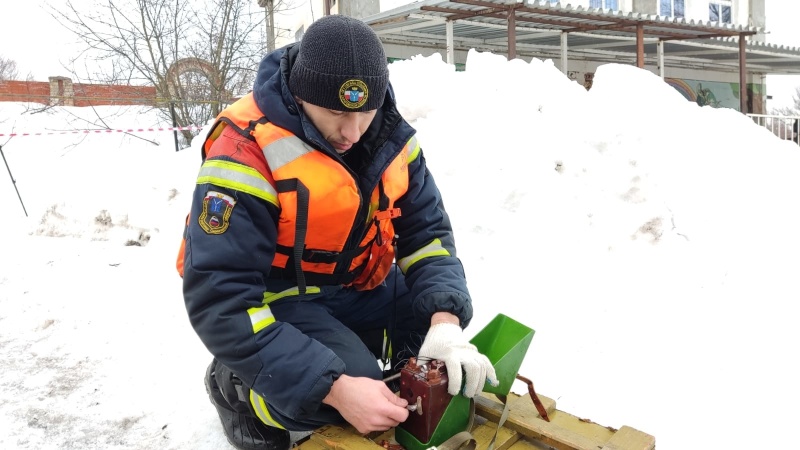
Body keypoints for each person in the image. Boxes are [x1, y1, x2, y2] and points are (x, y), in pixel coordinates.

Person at [177, 14, 498, 450]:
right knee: (330, 394)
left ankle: (390, 388)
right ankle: (236, 385)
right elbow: (221, 299)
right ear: (300, 95)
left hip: (360, 283)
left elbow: (427, 236)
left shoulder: (392, 138)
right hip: (280, 299)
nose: (352, 131)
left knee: (437, 332)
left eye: (366, 111)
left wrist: (445, 321)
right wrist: (334, 387)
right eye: (335, 113)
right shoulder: (243, 153)